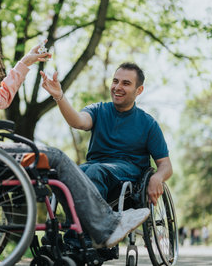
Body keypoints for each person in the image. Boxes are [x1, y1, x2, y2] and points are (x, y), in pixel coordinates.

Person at [0, 5, 150, 249]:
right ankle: (105, 226)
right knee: (56, 158)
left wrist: (25, 63)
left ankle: (85, 233)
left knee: (52, 163)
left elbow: (0, 98)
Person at [40, 62, 173, 205]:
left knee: (96, 171)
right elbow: (78, 121)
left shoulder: (148, 124)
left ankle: (95, 225)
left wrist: (157, 178)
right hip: (95, 166)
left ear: (139, 90)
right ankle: (77, 223)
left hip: (129, 175)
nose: (118, 87)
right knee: (69, 172)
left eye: (126, 83)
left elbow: (166, 165)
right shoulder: (98, 110)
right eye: (115, 81)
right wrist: (59, 96)